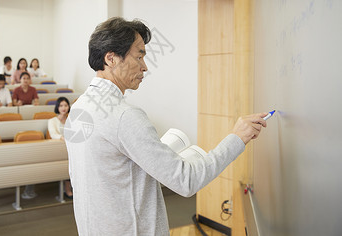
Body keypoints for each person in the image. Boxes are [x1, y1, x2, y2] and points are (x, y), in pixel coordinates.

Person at [64, 17, 268, 235]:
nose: (145, 66)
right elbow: (186, 181)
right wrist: (237, 138)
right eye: (139, 56)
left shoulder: (79, 109)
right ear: (111, 58)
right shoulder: (124, 116)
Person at [48, 97, 73, 198]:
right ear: (57, 107)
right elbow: (53, 134)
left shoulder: (71, 119)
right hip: (58, 147)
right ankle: (67, 189)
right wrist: (63, 138)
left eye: (66, 105)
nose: (64, 108)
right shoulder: (52, 120)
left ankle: (71, 187)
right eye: (61, 106)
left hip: (70, 147)